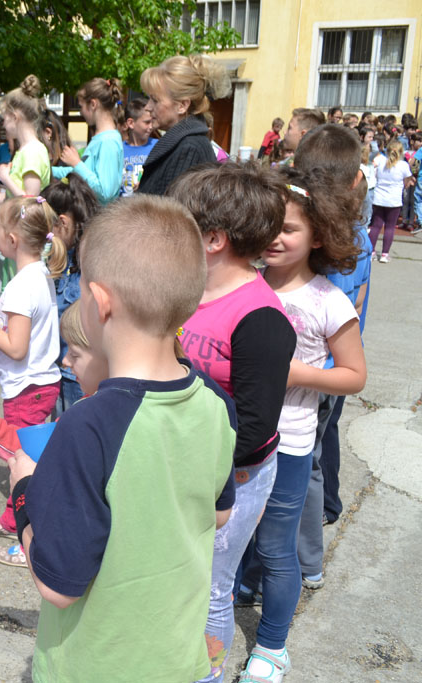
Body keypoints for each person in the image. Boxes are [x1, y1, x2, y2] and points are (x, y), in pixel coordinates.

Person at [8, 195, 237, 681]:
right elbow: (219, 514)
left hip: (98, 666)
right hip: (177, 659)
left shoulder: (87, 425)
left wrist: (23, 492)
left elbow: (58, 584)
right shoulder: (216, 404)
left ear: (101, 301)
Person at [236, 167, 366, 683]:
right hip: (235, 436)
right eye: (269, 225)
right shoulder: (242, 282)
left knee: (275, 546)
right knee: (230, 532)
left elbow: (354, 375)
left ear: (318, 235)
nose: (275, 238)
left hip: (288, 443)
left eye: (288, 228)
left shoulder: (328, 301)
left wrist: (295, 373)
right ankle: (240, 588)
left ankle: (272, 646)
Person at [167, 162, 297, 681]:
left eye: (182, 227)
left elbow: (254, 430)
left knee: (210, 586)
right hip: (183, 460)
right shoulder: (187, 290)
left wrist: (191, 464)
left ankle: (206, 674)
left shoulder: (261, 318)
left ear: (214, 239)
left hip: (232, 476)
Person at [0, 196, 66, 566]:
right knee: (21, 457)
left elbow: (16, 348)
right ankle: (12, 522)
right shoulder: (39, 274)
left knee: (23, 462)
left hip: (27, 387)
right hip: (39, 384)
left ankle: (29, 539)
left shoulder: (22, 285)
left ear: (12, 239)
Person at [291, 123, 372, 589]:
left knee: (308, 464)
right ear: (356, 180)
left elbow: (332, 316)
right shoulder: (356, 235)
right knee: (314, 459)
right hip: (324, 373)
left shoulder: (333, 245)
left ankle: (306, 560)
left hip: (317, 375)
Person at [42, 175, 99, 418]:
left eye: (46, 230)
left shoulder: (80, 268)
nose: (45, 238)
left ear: (62, 223)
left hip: (74, 376)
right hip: (68, 370)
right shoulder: (79, 259)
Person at [137, 54, 231, 195]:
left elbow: (170, 207)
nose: (148, 107)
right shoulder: (185, 142)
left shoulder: (189, 149)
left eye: (155, 100)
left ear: (182, 105)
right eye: (148, 99)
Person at [56, 78, 125, 204]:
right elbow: (82, 173)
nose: (80, 112)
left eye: (81, 106)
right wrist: (50, 170)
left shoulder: (108, 141)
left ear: (93, 104)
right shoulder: (100, 139)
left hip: (101, 216)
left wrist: (76, 163)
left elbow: (105, 192)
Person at [0, 75, 52, 198]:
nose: (3, 125)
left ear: (14, 117)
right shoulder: (26, 150)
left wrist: (6, 179)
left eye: (4, 119)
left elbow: (30, 199)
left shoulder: (32, 152)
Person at [369, 139, 412, 262]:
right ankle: (384, 254)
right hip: (394, 200)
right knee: (390, 227)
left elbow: (374, 174)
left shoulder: (381, 161)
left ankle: (371, 252)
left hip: (379, 198)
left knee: (376, 226)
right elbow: (407, 181)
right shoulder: (403, 165)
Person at [120, 97, 157, 196]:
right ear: (131, 123)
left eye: (152, 122)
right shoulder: (119, 150)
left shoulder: (159, 146)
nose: (151, 127)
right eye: (147, 122)